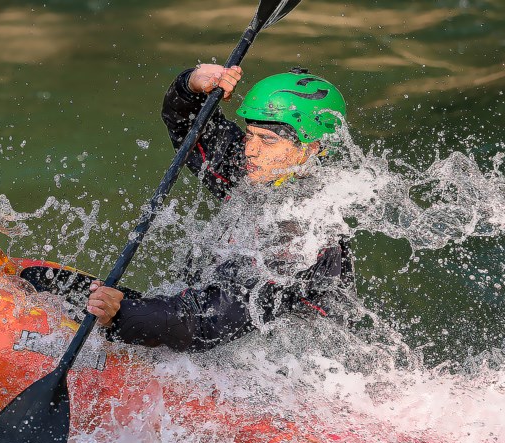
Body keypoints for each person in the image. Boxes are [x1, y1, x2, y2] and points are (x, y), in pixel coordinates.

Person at [86, 62, 356, 353]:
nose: (250, 149)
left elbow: (211, 322)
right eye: (250, 134)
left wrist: (121, 313)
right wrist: (191, 85)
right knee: (48, 283)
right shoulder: (262, 174)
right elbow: (191, 128)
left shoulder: (306, 232)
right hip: (221, 339)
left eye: (267, 140)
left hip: (289, 374)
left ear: (311, 147)